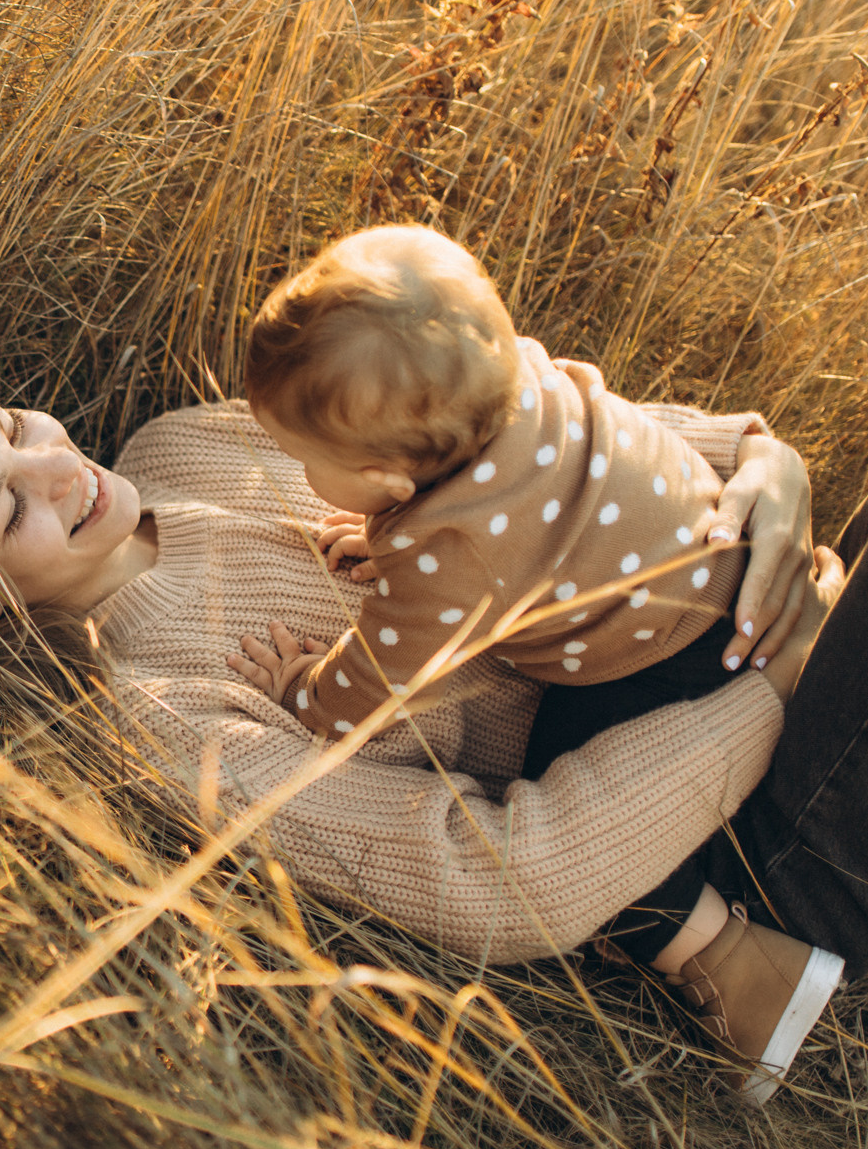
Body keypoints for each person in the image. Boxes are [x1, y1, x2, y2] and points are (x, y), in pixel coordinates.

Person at [0, 343, 868, 1105]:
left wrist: (757, 465)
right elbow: (502, 883)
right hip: (754, 853)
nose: (56, 471)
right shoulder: (155, 713)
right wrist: (773, 677)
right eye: (9, 511)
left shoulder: (179, 443)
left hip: (719, 616)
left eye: (17, 428)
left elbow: (508, 449)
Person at [235, 227, 752, 763]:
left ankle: (742, 720)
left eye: (304, 459)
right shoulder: (516, 377)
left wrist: (304, 692)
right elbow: (526, 514)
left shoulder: (450, 557)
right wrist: (384, 529)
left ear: (390, 484)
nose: (295, 468)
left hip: (676, 647)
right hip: (713, 529)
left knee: (557, 756)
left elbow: (379, 682)